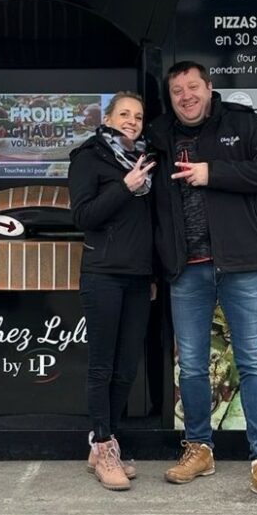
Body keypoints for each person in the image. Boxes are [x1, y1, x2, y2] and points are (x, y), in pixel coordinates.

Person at [147, 61, 257, 507]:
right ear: (170, 96)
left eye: (193, 87)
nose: (186, 96)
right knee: (191, 365)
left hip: (240, 263)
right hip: (186, 269)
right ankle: (199, 449)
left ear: (209, 88)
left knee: (252, 361)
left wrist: (213, 173)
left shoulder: (243, 124)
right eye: (177, 90)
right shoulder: (159, 136)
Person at [68, 91, 156, 492]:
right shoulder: (88, 157)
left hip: (139, 277)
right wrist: (124, 186)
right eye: (124, 113)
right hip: (102, 273)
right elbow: (83, 216)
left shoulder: (147, 159)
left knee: (126, 369)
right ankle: (102, 445)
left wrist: (155, 270)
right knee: (102, 367)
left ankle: (108, 442)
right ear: (108, 117)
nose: (132, 121)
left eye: (137, 116)